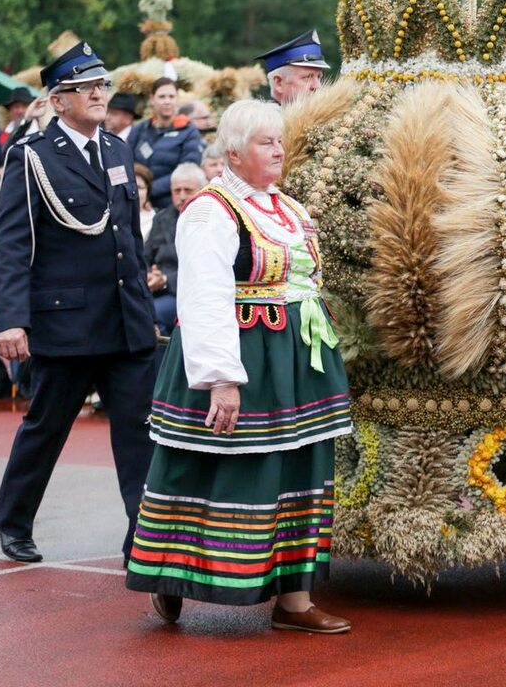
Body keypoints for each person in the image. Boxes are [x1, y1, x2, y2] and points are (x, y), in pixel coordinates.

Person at [125, 99, 353, 633]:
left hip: (294, 361)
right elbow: (203, 297)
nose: (277, 150)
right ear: (233, 151)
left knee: (301, 464)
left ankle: (295, 600)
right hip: (239, 355)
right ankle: (168, 575)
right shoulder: (211, 209)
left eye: (279, 141)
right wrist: (220, 379)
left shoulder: (286, 208)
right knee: (209, 463)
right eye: (264, 142)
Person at [0, 41, 157, 564]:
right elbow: (11, 243)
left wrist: (146, 306)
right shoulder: (32, 158)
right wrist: (11, 319)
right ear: (58, 101)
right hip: (68, 322)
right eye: (85, 87)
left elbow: (127, 235)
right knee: (46, 430)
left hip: (126, 322)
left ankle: (144, 537)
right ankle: (13, 521)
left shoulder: (118, 149)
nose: (98, 94)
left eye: (101, 85)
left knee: (139, 434)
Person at [143, 162, 206, 335]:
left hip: (190, 293)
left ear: (203, 190)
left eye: (188, 190)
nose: (182, 196)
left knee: (151, 315)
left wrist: (164, 279)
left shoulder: (209, 219)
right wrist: (148, 274)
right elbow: (145, 256)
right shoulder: (162, 217)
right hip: (158, 290)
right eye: (177, 191)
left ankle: (167, 363)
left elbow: (203, 268)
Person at [127, 77, 203, 208]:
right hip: (137, 202)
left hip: (171, 204)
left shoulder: (189, 132)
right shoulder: (139, 130)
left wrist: (148, 191)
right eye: (162, 97)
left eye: (171, 96)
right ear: (152, 99)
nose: (167, 101)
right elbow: (125, 162)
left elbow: (187, 170)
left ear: (177, 99)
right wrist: (138, 192)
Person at [256, 29, 331, 105]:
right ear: (279, 83)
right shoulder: (259, 116)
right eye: (308, 77)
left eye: (319, 77)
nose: (317, 86)